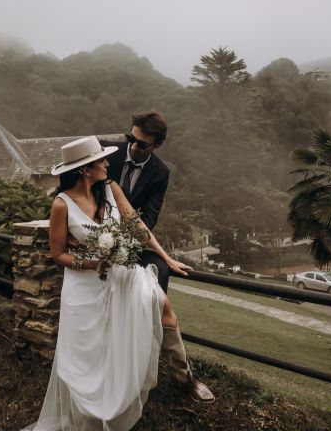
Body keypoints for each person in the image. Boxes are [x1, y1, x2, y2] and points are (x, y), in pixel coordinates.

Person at [23, 136, 211, 431]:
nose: (107, 163)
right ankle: (96, 404)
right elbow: (58, 254)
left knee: (163, 306)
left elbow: (136, 224)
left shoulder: (110, 188)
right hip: (86, 283)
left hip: (121, 273)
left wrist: (167, 258)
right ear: (85, 169)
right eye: (101, 160)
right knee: (93, 350)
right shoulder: (62, 204)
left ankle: (186, 378)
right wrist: (94, 263)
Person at [101, 112, 173, 293]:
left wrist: (122, 240)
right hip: (92, 235)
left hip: (128, 240)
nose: (133, 147)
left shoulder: (160, 173)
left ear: (157, 145)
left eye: (142, 144)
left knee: (161, 270)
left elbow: (149, 216)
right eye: (131, 138)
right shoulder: (105, 153)